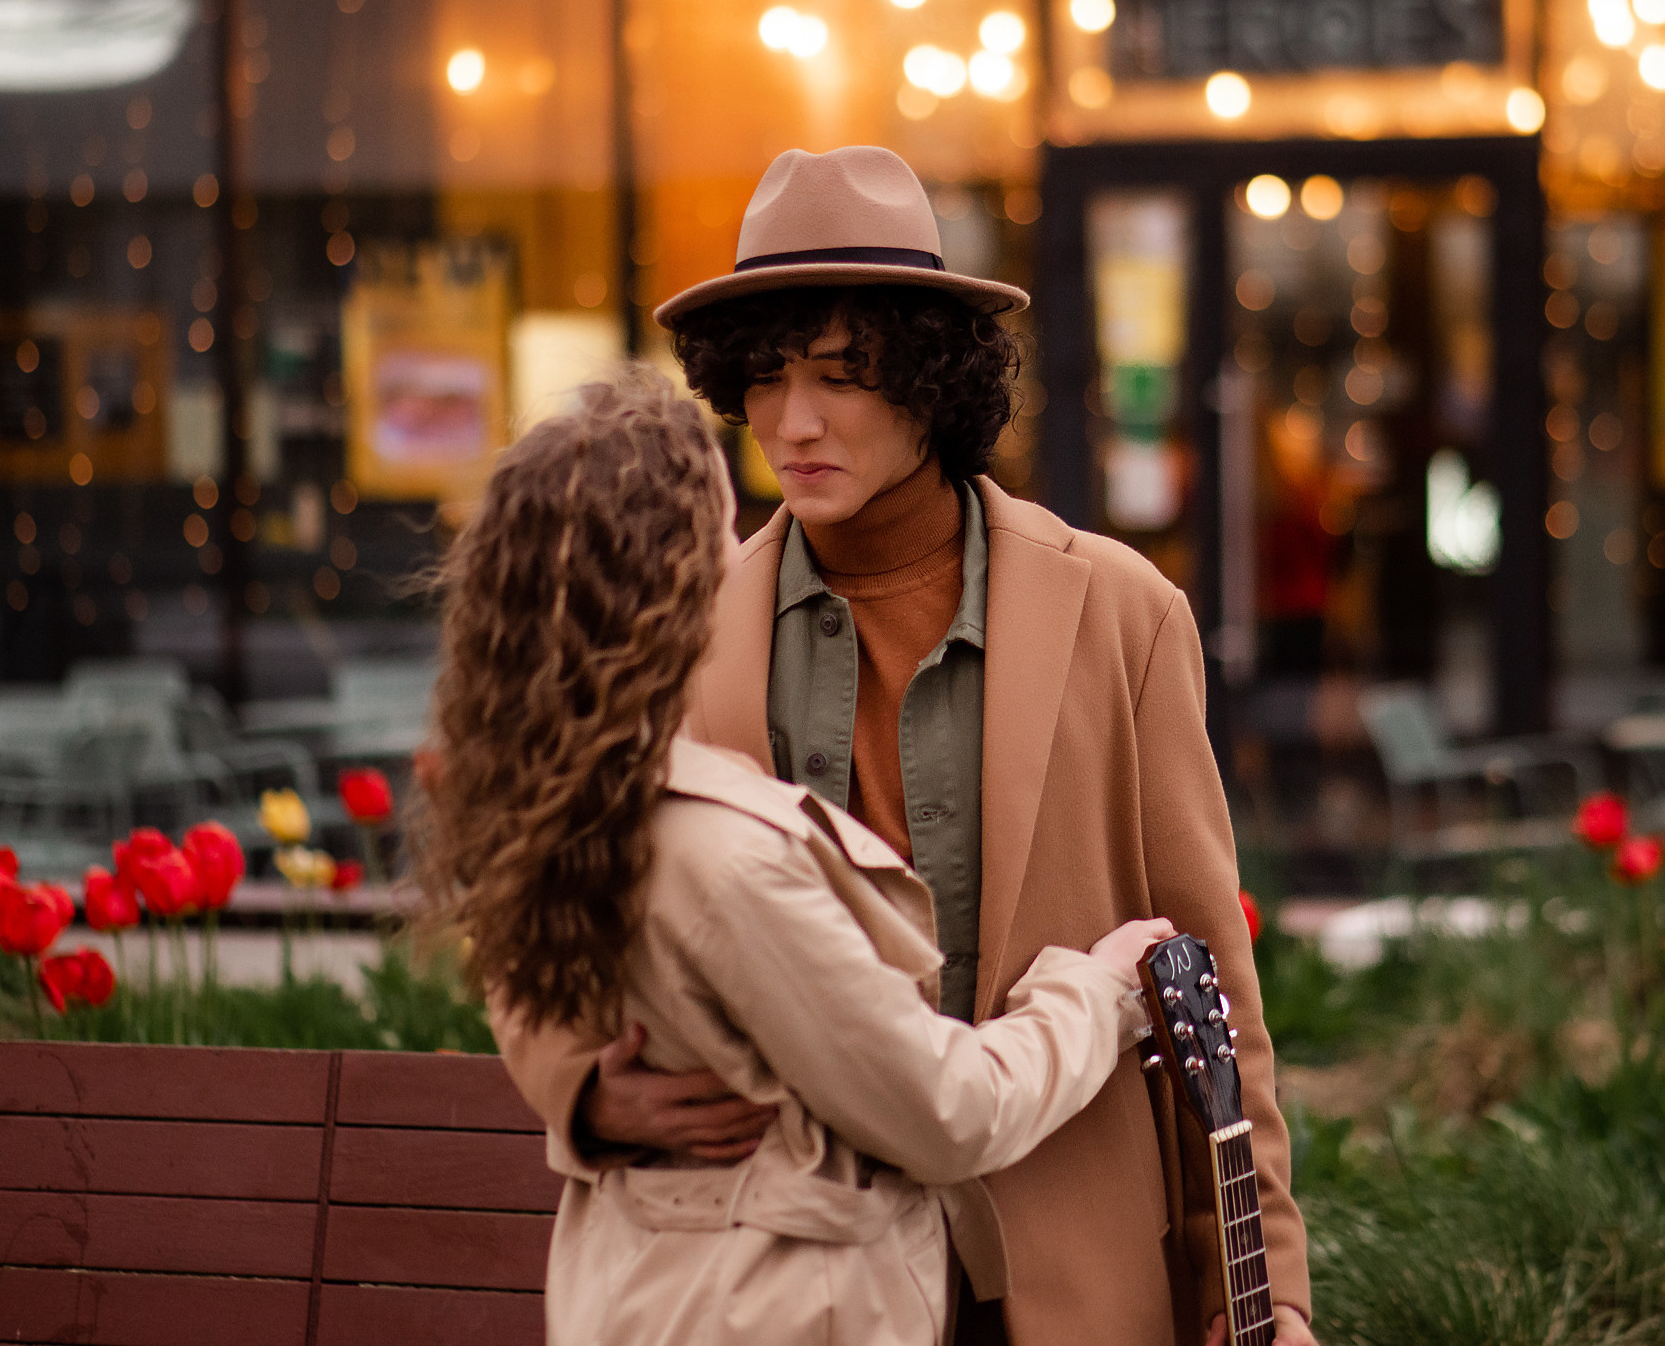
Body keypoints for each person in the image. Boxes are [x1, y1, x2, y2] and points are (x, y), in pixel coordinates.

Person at [497, 147, 1316, 1346]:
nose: (794, 420)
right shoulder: (683, 627)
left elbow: (1207, 983)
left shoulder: (1119, 611)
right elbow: (551, 907)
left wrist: (1266, 1288)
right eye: (766, 378)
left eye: (844, 375)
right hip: (785, 1283)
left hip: (1072, 1267)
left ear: (930, 382)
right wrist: (583, 1088)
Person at [423, 370, 1175, 1346]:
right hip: (773, 1306)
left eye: (844, 376)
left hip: (640, 1295)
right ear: (679, 590)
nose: (794, 422)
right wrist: (1096, 990)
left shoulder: (567, 797)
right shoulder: (721, 854)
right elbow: (945, 1110)